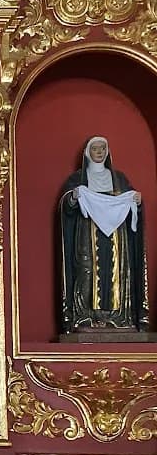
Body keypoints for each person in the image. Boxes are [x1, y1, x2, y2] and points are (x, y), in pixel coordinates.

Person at [59, 136, 148, 333]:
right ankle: (85, 317)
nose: (99, 152)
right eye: (95, 149)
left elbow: (133, 206)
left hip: (117, 235)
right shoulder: (78, 179)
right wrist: (73, 198)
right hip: (88, 233)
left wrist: (137, 202)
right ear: (88, 153)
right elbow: (66, 207)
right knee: (87, 269)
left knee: (116, 270)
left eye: (102, 148)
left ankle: (118, 317)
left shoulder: (119, 178)